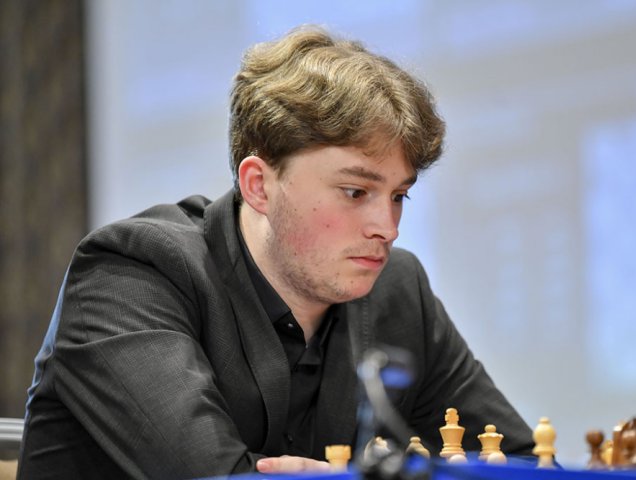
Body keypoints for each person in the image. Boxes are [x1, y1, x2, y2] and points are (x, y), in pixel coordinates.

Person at [18, 26, 535, 479]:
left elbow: (527, 466)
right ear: (259, 185)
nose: (387, 227)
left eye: (399, 195)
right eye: (355, 191)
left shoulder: (398, 291)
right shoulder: (130, 276)